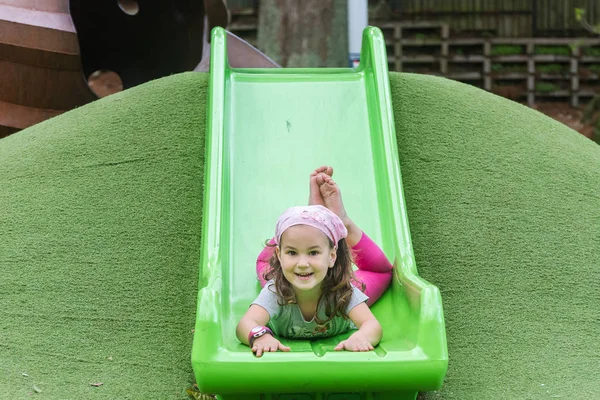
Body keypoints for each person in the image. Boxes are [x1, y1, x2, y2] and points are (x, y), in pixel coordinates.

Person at [236, 166, 393, 357]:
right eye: (292, 253)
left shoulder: (344, 290)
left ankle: (336, 221)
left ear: (332, 256)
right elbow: (245, 324)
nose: (302, 263)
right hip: (286, 274)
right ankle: (311, 217)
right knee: (266, 263)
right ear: (279, 254)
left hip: (328, 278)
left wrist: (362, 337)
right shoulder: (275, 290)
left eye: (313, 253)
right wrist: (260, 336)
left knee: (383, 272)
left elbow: (372, 325)